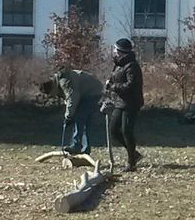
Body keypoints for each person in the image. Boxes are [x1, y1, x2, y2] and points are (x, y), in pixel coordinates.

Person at [106, 38, 145, 170]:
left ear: (120, 51)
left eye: (115, 49)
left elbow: (131, 85)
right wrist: (109, 86)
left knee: (127, 131)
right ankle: (134, 153)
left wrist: (113, 86)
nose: (113, 51)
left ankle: (131, 163)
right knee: (113, 130)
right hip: (119, 102)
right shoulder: (118, 64)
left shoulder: (132, 66)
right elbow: (113, 80)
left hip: (131, 103)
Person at [48, 66, 103, 156]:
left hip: (92, 92)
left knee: (80, 118)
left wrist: (68, 117)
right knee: (81, 119)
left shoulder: (64, 82)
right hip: (87, 92)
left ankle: (77, 146)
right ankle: (83, 148)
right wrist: (70, 114)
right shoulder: (59, 80)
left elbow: (72, 99)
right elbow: (69, 98)